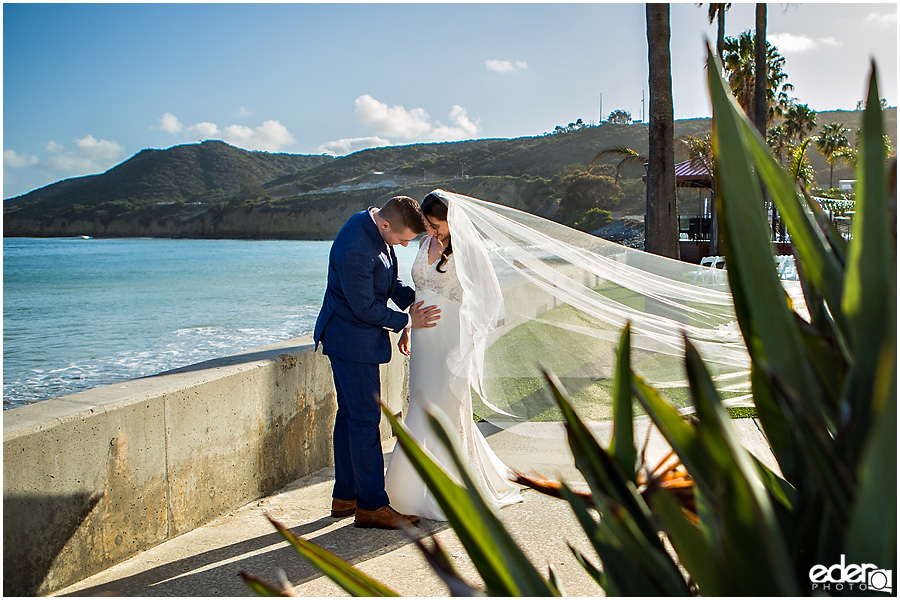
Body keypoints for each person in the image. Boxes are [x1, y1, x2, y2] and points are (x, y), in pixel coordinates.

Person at [383, 190, 523, 521]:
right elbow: (419, 293)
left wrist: (469, 340)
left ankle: (447, 485)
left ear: (452, 220)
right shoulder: (423, 245)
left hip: (450, 343)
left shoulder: (469, 250)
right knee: (419, 403)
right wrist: (407, 327)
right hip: (423, 340)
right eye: (428, 226)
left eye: (436, 226)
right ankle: (406, 488)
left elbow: (491, 298)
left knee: (442, 408)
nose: (432, 232)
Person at [314, 195, 441, 530]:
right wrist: (407, 322)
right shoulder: (356, 247)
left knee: (350, 418)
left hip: (351, 337)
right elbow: (365, 308)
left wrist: (425, 300)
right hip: (350, 340)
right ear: (385, 224)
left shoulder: (373, 225)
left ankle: (346, 495)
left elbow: (388, 283)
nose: (401, 246)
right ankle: (371, 506)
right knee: (366, 420)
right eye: (400, 239)